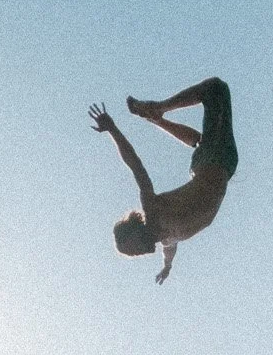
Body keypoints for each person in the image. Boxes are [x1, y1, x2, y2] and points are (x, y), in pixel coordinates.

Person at [89, 77, 238, 283]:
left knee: (215, 88)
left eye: (132, 249)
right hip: (218, 166)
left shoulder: (153, 210)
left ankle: (158, 109)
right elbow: (169, 253)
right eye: (132, 255)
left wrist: (113, 130)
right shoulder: (167, 240)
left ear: (135, 231)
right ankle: (157, 119)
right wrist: (167, 268)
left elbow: (136, 166)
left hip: (215, 160)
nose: (137, 254)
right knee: (200, 141)